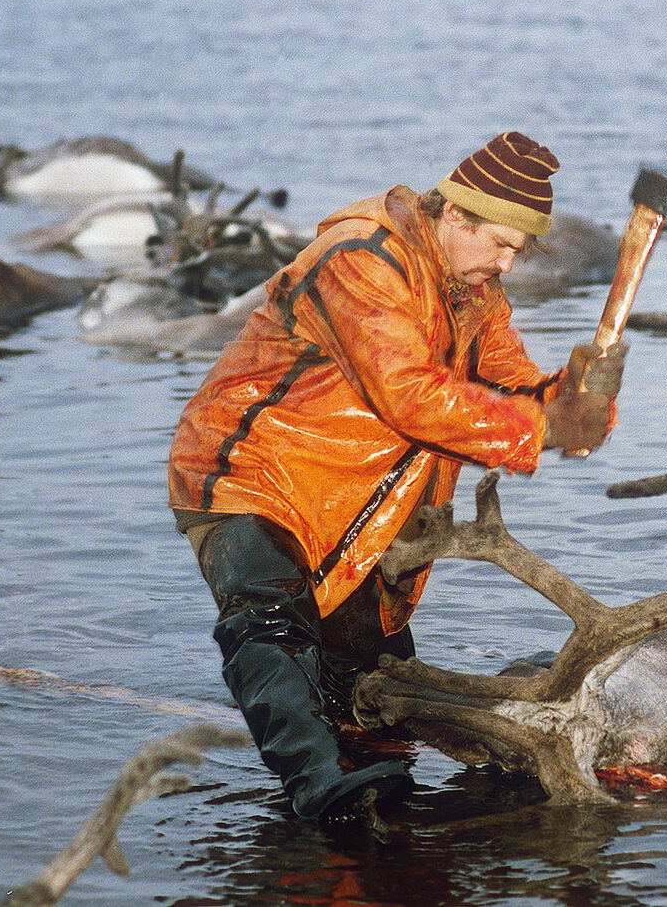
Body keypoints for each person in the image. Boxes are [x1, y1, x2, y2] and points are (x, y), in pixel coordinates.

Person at [168, 131, 625, 821]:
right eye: (500, 243)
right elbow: (409, 396)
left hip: (360, 503)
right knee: (267, 619)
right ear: (453, 215)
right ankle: (318, 788)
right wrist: (542, 427)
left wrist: (575, 400)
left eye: (519, 251)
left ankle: (367, 796)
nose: (508, 263)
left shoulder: (476, 294)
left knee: (370, 681)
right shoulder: (361, 258)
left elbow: (511, 390)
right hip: (250, 471)